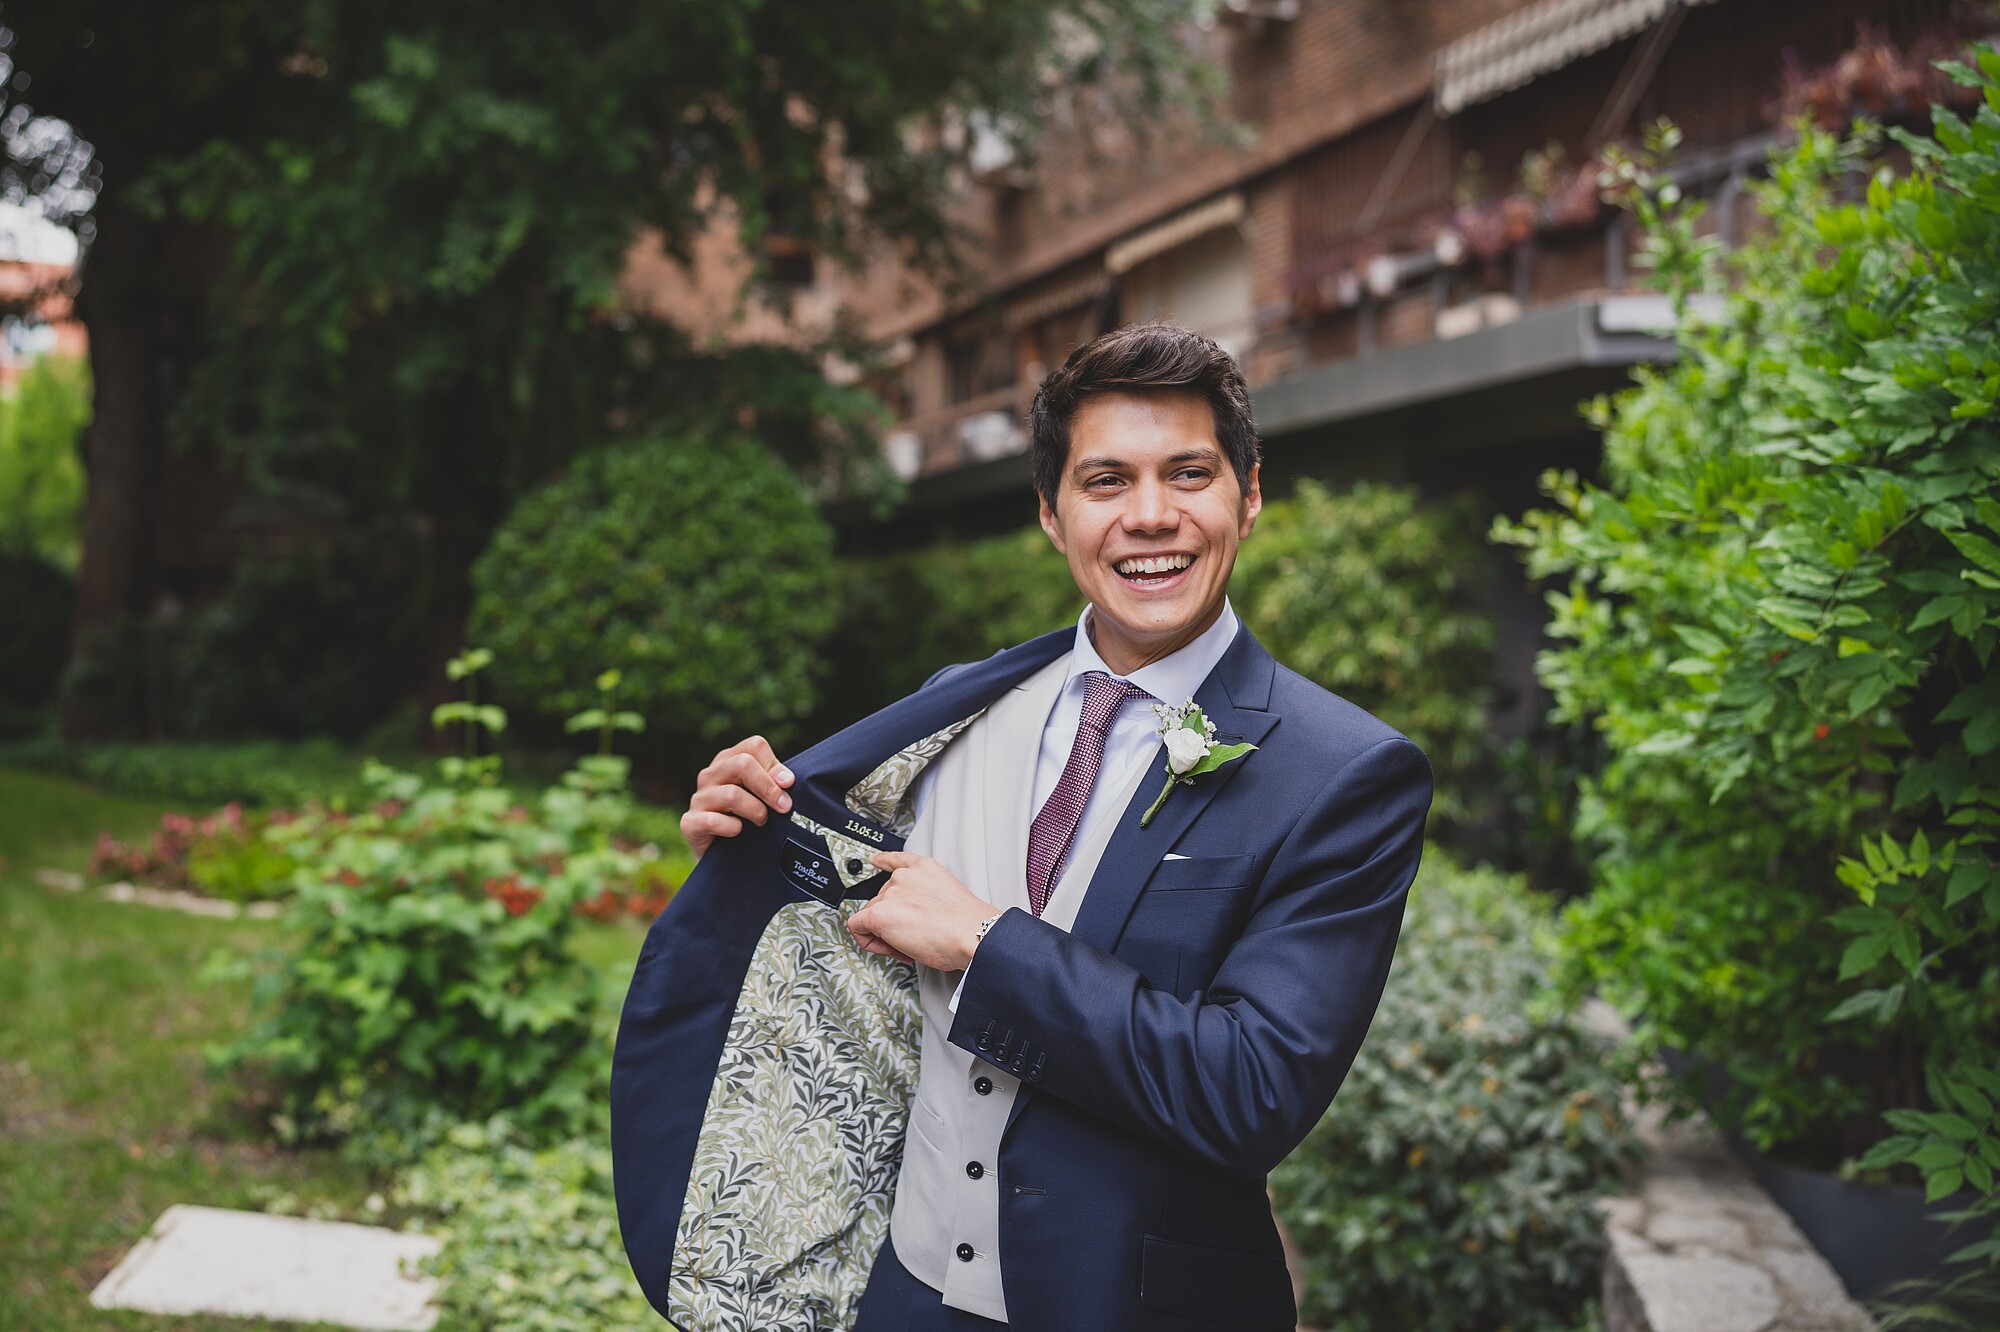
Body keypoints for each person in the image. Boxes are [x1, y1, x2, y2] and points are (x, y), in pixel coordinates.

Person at [612, 323, 1432, 1332]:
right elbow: (864, 935)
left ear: (1248, 495)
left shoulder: (1345, 773)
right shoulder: (953, 711)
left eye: (1187, 473)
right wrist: (752, 857)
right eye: (1105, 481)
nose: (1150, 515)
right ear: (1051, 514)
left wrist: (983, 942)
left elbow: (1251, 1090)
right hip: (900, 1294)